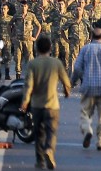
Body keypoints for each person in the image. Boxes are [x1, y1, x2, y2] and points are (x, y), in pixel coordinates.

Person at [20, 36, 71, 170]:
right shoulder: (56, 63)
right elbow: (66, 82)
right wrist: (67, 92)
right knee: (51, 131)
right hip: (52, 105)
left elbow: (29, 85)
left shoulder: (32, 64)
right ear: (50, 48)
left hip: (37, 105)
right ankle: (49, 149)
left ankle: (40, 161)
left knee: (38, 134)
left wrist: (25, 101)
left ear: (36, 49)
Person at [10, 0, 42, 79]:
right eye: (22, 6)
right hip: (18, 40)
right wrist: (11, 36)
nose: (23, 8)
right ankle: (18, 76)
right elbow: (9, 25)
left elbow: (39, 26)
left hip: (28, 41)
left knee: (29, 59)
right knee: (17, 58)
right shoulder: (16, 15)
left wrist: (35, 37)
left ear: (27, 7)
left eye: (25, 6)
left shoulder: (31, 15)